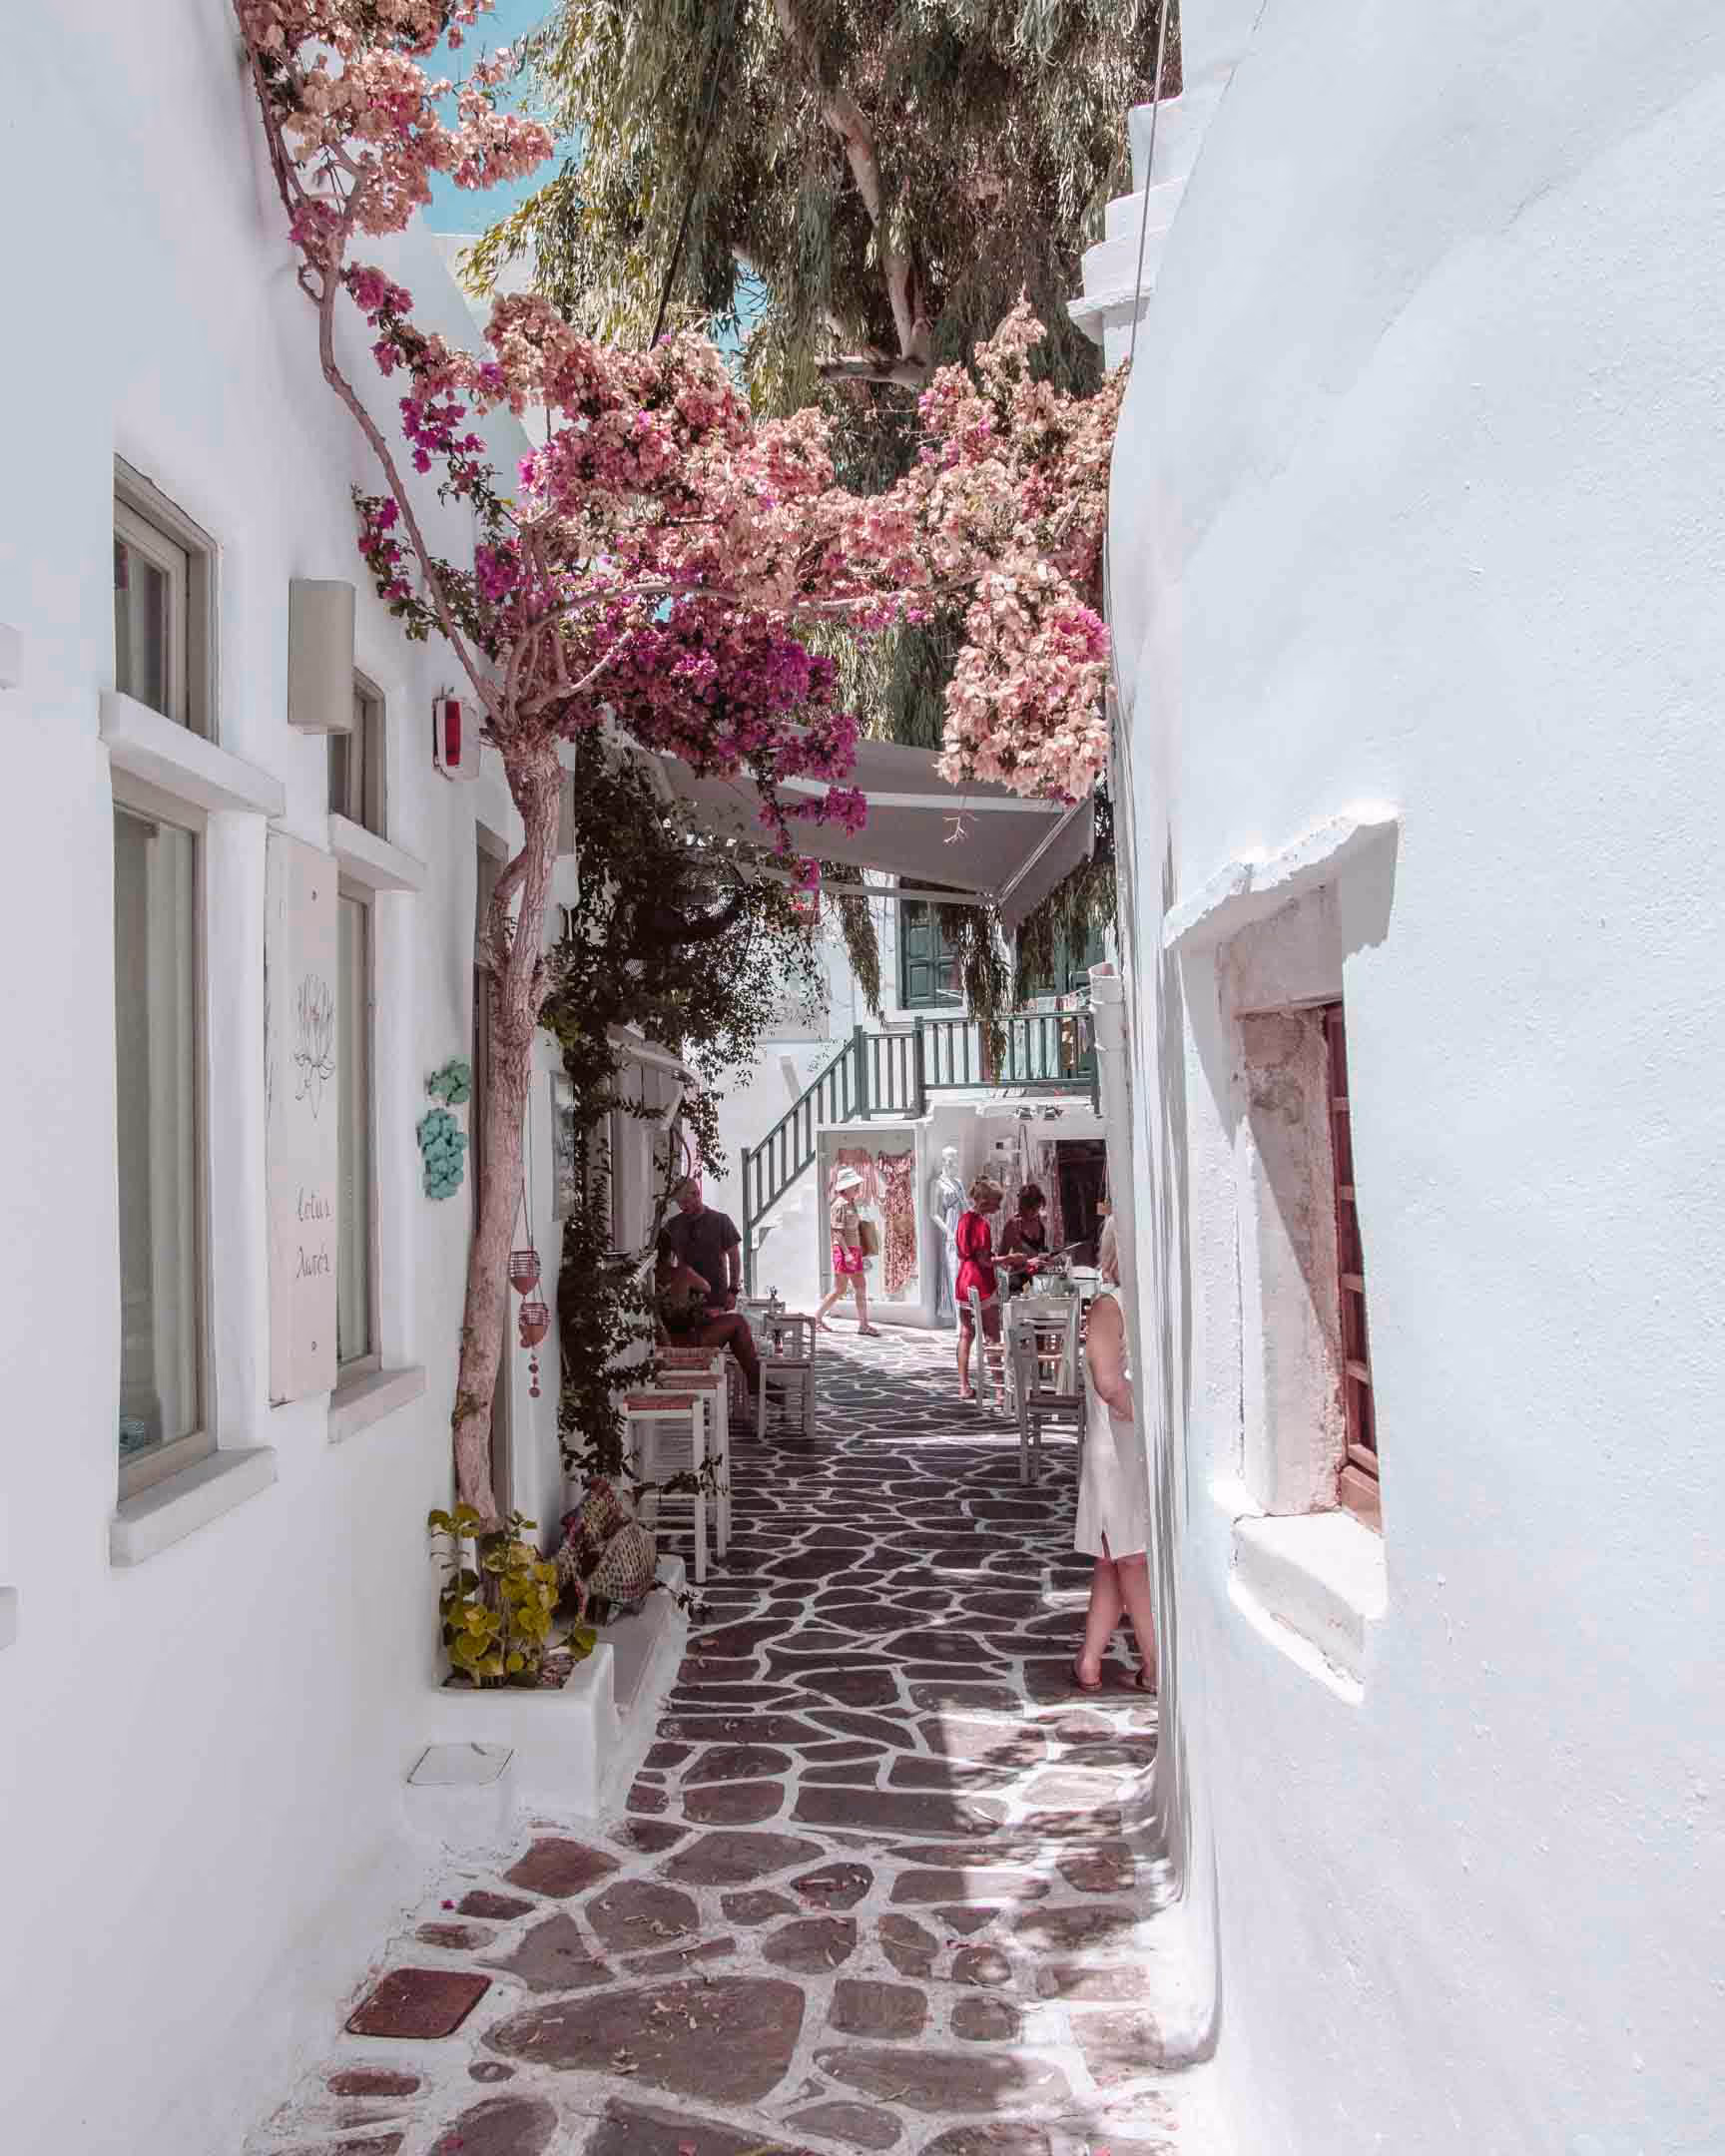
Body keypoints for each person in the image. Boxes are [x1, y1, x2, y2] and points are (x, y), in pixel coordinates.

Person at [1073, 1219, 1156, 1692]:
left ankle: (1089, 1661)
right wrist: (1149, 1420)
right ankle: (1157, 1664)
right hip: (1118, 1453)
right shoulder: (1110, 1306)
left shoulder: (1138, 1305)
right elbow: (1108, 1380)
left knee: (1114, 1559)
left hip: (1131, 1451)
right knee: (1131, 1559)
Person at [654, 1232, 761, 1395]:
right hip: (686, 1343)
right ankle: (755, 1380)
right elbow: (706, 1287)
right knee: (738, 1322)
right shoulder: (682, 1273)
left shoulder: (649, 1278)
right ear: (673, 1252)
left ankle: (755, 1379)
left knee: (726, 1321)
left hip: (663, 1343)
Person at [954, 1174, 1005, 1400]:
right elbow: (984, 1260)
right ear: (986, 1202)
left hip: (964, 1279)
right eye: (997, 1202)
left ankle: (964, 1385)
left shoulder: (963, 1220)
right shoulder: (982, 1225)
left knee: (966, 1334)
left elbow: (963, 1253)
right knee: (992, 1334)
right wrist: (1008, 1259)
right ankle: (1000, 1388)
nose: (999, 1207)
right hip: (981, 1281)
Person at [661, 1177, 744, 1311]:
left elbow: (734, 1257)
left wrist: (733, 1291)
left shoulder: (721, 1221)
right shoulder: (673, 1225)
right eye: (679, 1203)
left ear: (697, 1194)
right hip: (685, 1304)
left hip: (716, 1300)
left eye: (686, 1202)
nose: (682, 1207)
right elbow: (663, 1263)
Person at [815, 1166, 879, 1336]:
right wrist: (847, 1254)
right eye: (855, 1185)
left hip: (854, 1249)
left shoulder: (851, 1203)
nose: (858, 1188)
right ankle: (816, 1319)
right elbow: (836, 1232)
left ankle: (863, 1324)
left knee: (859, 1286)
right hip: (845, 1251)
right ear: (846, 1186)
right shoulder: (839, 1204)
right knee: (840, 1289)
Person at [996, 1182, 1050, 1293]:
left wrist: (1046, 1257)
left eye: (1038, 1208)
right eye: (1033, 1209)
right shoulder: (1013, 1225)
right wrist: (1023, 1262)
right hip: (1019, 1282)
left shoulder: (1040, 1220)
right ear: (1024, 1206)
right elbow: (1002, 1258)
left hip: (1039, 1281)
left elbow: (1040, 1249)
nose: (1036, 1212)